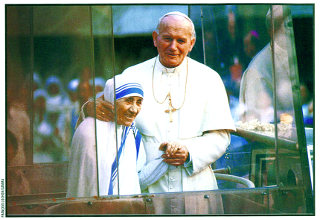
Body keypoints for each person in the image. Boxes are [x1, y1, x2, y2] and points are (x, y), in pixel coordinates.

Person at [80, 11, 235, 194]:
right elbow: (103, 110)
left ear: (191, 43)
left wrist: (189, 152)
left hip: (195, 183)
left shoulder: (209, 78)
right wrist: (90, 108)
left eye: (181, 41)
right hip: (144, 184)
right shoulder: (132, 75)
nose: (173, 47)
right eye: (167, 38)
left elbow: (220, 137)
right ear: (155, 38)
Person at [67, 75, 146, 197]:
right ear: (111, 100)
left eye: (139, 102)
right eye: (128, 101)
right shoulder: (90, 131)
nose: (134, 109)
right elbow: (89, 188)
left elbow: (135, 179)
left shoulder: (131, 132)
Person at [239, 5, 295, 125]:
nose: (290, 30)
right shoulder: (257, 70)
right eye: (286, 25)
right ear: (272, 30)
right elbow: (257, 121)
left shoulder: (299, 53)